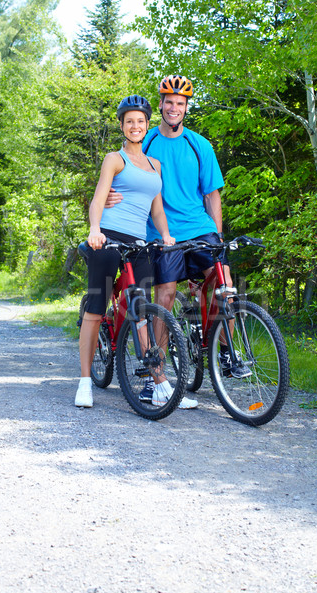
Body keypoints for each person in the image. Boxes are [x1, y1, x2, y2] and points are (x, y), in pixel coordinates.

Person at [106, 76, 252, 400]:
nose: (174, 108)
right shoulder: (146, 142)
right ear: (160, 104)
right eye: (168, 102)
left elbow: (212, 195)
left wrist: (216, 234)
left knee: (223, 280)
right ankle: (153, 373)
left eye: (180, 103)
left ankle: (225, 350)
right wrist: (109, 198)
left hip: (199, 227)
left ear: (186, 108)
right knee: (166, 292)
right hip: (159, 232)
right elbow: (119, 177)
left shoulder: (199, 145)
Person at [75, 94, 198, 410]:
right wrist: (94, 229)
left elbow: (157, 210)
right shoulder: (114, 159)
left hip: (138, 243)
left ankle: (159, 385)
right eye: (129, 121)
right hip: (108, 238)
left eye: (140, 121)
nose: (135, 126)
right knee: (96, 307)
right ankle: (85, 382)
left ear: (147, 125)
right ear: (122, 125)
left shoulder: (154, 164)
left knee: (141, 310)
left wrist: (167, 235)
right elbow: (99, 199)